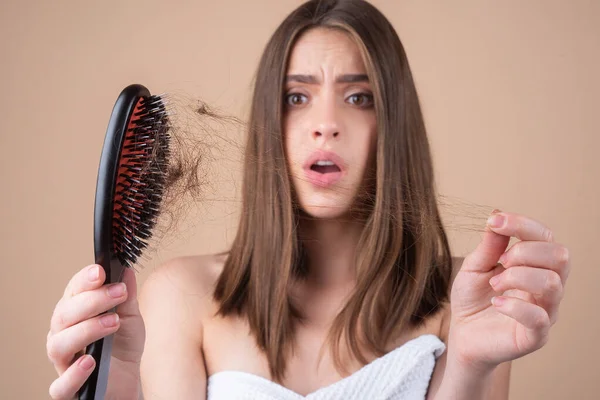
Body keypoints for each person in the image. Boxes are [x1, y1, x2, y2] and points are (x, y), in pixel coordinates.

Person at [46, 1, 571, 399]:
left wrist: (470, 367)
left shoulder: (469, 302)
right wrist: (119, 387)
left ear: (394, 124)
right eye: (297, 98)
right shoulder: (182, 297)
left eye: (358, 97)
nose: (325, 125)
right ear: (268, 124)